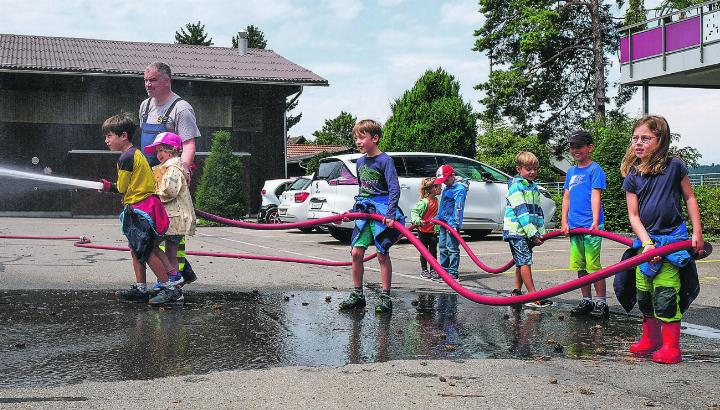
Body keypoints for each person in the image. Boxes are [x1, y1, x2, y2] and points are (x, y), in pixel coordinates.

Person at [621, 115, 704, 364]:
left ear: (660, 140)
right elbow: (633, 216)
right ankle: (651, 339)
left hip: (673, 241)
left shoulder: (675, 166)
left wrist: (697, 232)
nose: (639, 143)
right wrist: (647, 243)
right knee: (644, 291)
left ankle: (671, 346)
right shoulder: (633, 176)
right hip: (646, 243)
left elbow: (689, 198)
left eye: (645, 138)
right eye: (635, 138)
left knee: (665, 293)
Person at [99, 113, 183, 306]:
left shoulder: (126, 158)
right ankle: (140, 288)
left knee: (144, 250)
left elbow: (121, 188)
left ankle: (169, 289)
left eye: (109, 136)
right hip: (144, 206)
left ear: (124, 136)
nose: (107, 140)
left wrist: (107, 186)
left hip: (139, 209)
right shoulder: (136, 154)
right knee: (136, 250)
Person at [140, 61, 201, 285]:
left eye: (153, 80)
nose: (148, 84)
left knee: (173, 230)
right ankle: (178, 273)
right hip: (150, 177)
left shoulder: (181, 109)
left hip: (170, 179)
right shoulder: (145, 106)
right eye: (146, 80)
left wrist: (182, 169)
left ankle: (177, 277)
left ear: (167, 80)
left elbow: (189, 143)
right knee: (158, 230)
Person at [338, 119, 404, 314]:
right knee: (357, 253)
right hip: (365, 210)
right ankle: (358, 295)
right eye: (355, 138)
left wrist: (391, 214)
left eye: (361, 137)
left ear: (375, 138)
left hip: (382, 211)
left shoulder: (386, 161)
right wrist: (352, 211)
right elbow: (362, 191)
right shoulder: (360, 162)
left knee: (382, 254)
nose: (358, 142)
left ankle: (385, 297)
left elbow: (394, 189)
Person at [561, 130, 609, 319]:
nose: (575, 150)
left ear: (590, 148)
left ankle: (601, 302)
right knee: (580, 265)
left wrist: (596, 221)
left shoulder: (594, 170)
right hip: (574, 226)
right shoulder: (571, 172)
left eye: (579, 146)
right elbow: (566, 197)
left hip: (590, 226)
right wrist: (564, 220)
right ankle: (586, 300)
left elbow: (595, 195)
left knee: (593, 265)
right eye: (572, 147)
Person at [143, 132, 197, 287]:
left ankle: (170, 279)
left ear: (173, 150)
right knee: (171, 252)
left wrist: (152, 194)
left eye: (162, 150)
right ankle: (174, 281)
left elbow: (169, 192)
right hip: (173, 218)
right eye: (157, 151)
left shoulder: (173, 168)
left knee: (152, 245)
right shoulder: (165, 168)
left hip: (174, 219)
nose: (159, 154)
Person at [503, 151, 551, 308]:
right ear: (519, 169)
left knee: (521, 261)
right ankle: (533, 295)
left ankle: (517, 291)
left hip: (527, 232)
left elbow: (537, 211)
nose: (532, 172)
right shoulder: (516, 187)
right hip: (517, 231)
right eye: (528, 169)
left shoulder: (533, 187)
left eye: (535, 169)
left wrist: (540, 232)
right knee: (525, 261)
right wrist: (533, 234)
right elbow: (522, 213)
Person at [435, 165, 468, 280]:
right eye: (443, 181)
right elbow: (443, 205)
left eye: (446, 180)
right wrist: (438, 217)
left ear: (452, 175)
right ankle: (443, 271)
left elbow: (459, 208)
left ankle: (453, 272)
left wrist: (454, 224)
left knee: (452, 247)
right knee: (443, 246)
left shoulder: (460, 189)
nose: (444, 183)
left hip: (452, 223)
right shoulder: (447, 187)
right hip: (443, 222)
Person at [410, 177, 441, 279]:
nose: (440, 188)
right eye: (438, 186)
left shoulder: (436, 200)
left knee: (433, 251)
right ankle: (424, 270)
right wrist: (418, 220)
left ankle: (433, 269)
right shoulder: (424, 202)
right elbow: (414, 212)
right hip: (423, 231)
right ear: (432, 189)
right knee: (424, 252)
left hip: (432, 231)